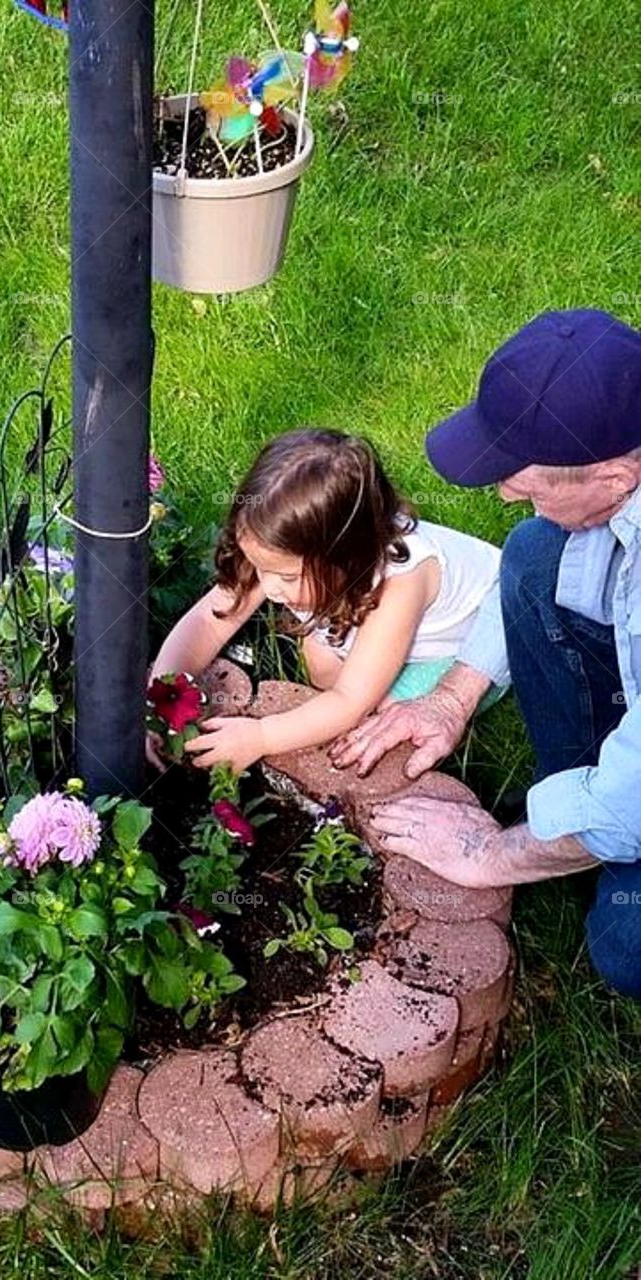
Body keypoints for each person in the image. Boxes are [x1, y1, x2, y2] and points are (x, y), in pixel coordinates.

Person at [331, 308, 641, 999]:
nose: (500, 492)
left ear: (614, 478)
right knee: (535, 554)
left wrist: (488, 854)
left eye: (519, 478)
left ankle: (582, 836)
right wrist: (450, 697)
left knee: (627, 945)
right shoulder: (623, 458)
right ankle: (574, 821)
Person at [147, 427, 503, 775]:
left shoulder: (403, 582)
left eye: (287, 578)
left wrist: (263, 736)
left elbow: (350, 699)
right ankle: (362, 683)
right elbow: (210, 620)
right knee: (320, 662)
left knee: (380, 724)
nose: (268, 589)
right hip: (388, 621)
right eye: (258, 568)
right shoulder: (275, 544)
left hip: (466, 645)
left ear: (349, 558)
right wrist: (159, 696)